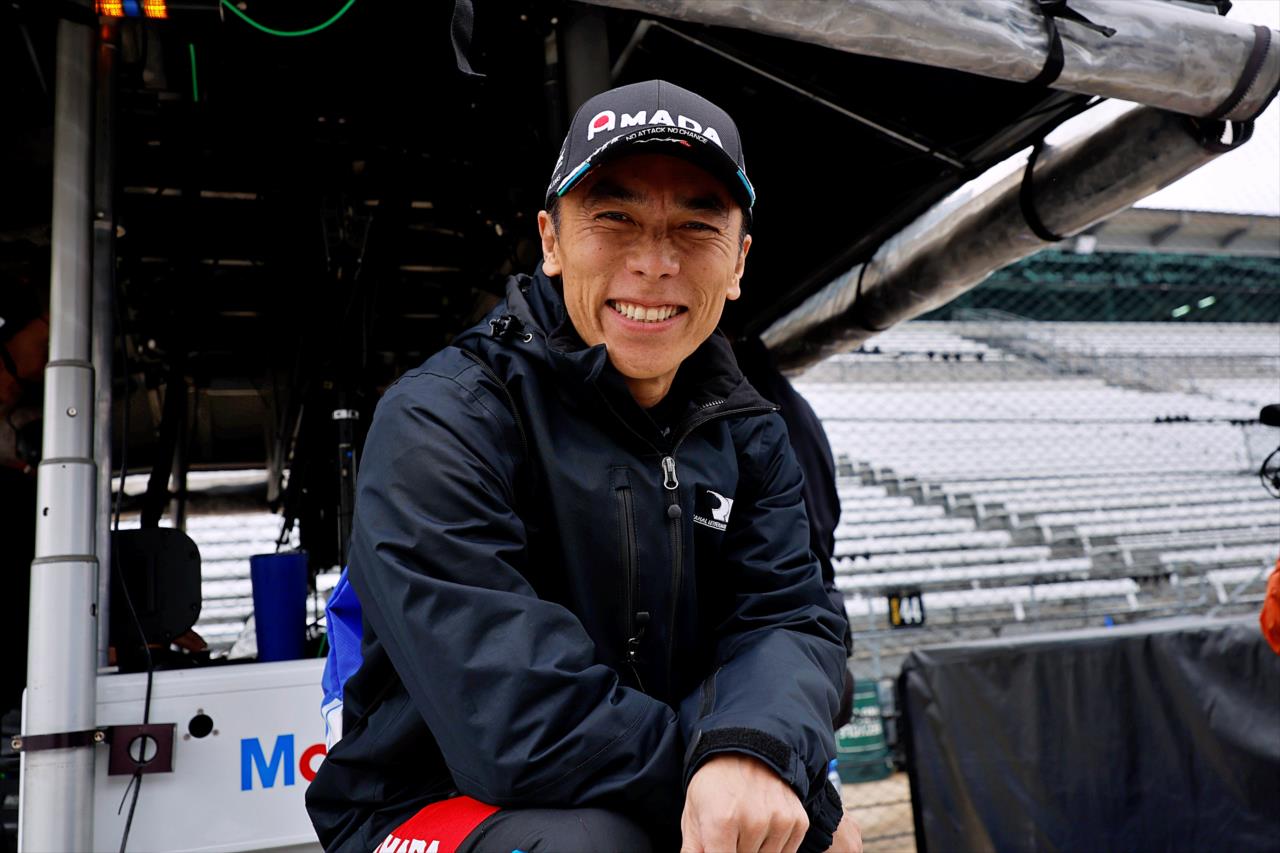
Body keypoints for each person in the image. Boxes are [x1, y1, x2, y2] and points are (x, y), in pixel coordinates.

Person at [306, 80, 861, 853]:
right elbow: (510, 720)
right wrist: (723, 769)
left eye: (696, 225)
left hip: (640, 781)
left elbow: (793, 622)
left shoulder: (750, 430)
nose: (654, 261)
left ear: (738, 262)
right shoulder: (444, 415)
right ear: (552, 240)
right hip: (422, 797)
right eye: (614, 217)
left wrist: (753, 749)